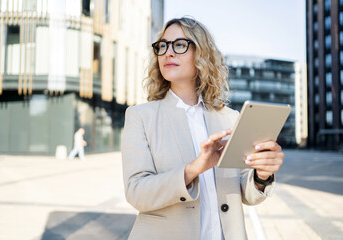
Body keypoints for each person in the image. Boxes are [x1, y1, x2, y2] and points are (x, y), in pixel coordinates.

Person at [121, 17, 285, 240]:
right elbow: (136, 193)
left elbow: (246, 193)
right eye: (162, 46)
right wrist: (193, 169)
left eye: (179, 45)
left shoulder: (230, 118)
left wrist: (262, 175)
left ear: (201, 53)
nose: (168, 53)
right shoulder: (140, 117)